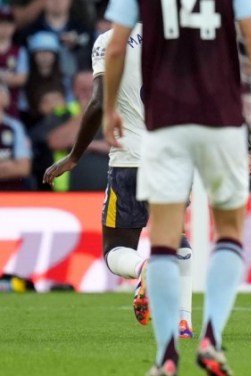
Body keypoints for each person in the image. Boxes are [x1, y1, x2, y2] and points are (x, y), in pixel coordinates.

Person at [101, 0, 251, 376]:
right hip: (220, 119)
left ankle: (165, 354)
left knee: (159, 239)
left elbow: (116, 46)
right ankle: (213, 339)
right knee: (226, 234)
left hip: (164, 123)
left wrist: (112, 105)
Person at [43, 24, 195, 337]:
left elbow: (98, 103)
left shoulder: (109, 41)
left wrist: (74, 156)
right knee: (175, 235)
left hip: (131, 159)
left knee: (116, 250)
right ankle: (183, 321)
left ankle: (143, 269)